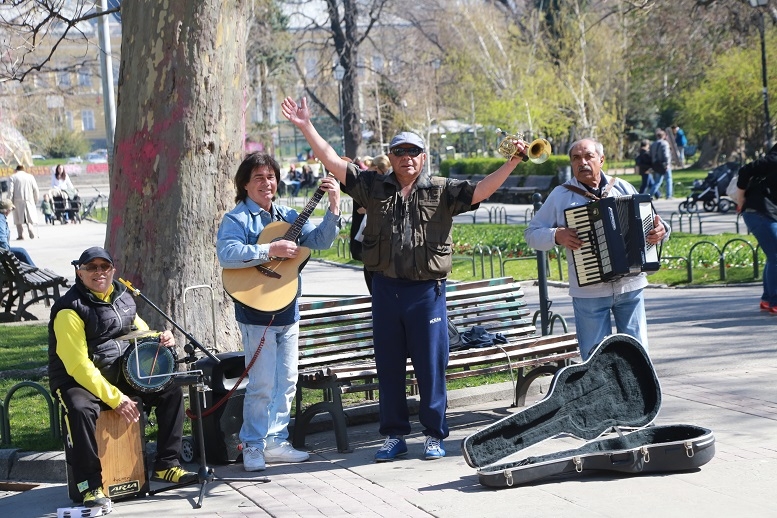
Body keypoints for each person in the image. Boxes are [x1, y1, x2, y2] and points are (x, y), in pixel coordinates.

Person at [281, 95, 525, 462]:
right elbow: (333, 160)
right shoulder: (373, 187)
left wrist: (514, 161)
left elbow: (481, 190)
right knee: (389, 366)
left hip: (426, 292)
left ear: (423, 157)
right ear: (391, 157)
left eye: (413, 151)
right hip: (385, 290)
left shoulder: (441, 189)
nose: (406, 157)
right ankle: (394, 435)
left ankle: (433, 434)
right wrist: (305, 127)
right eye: (399, 151)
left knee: (430, 366)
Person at [216, 152, 342, 472]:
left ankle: (276, 441)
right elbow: (228, 254)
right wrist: (269, 250)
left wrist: (334, 207)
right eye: (258, 177)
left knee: (286, 381)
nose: (266, 183)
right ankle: (253, 445)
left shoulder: (287, 214)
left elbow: (320, 241)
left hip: (288, 310)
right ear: (244, 184)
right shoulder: (237, 219)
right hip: (256, 312)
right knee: (261, 384)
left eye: (271, 177)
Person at [48, 247, 197, 508]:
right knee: (81, 410)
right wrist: (116, 398)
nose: (98, 272)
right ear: (79, 272)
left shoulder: (123, 296)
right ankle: (90, 486)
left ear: (112, 270)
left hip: (118, 371)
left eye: (103, 267)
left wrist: (160, 338)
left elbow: (138, 330)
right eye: (91, 267)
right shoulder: (69, 310)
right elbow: (78, 366)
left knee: (170, 390)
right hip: (76, 380)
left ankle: (166, 465)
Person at [525, 138, 670, 360]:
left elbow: (655, 221)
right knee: (595, 359)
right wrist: (557, 235)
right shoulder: (560, 195)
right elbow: (532, 234)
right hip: (589, 292)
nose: (582, 162)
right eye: (576, 158)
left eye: (588, 156)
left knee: (638, 354)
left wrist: (662, 231)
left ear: (601, 160)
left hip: (630, 286)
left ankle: (640, 395)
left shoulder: (621, 187)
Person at [732, 143, 777, 314]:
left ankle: (767, 299)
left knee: (773, 255)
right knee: (776, 255)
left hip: (765, 212)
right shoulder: (774, 160)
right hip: (758, 211)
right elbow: (745, 170)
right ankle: (774, 301)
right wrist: (740, 198)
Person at [352, 154, 391, 293]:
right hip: (366, 235)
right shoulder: (363, 183)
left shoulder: (380, 182)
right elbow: (360, 208)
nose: (383, 175)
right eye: (382, 172)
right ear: (375, 168)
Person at [0, 199, 35, 264]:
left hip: (2, 250)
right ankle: (35, 270)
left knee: (21, 251)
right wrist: (7, 253)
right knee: (22, 252)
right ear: (7, 210)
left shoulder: (2, 218)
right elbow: (2, 238)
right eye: (11, 210)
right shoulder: (1, 219)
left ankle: (34, 269)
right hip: (2, 252)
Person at [9, 165, 39, 240]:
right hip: (29, 199)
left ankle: (21, 234)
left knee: (18, 219)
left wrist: (9, 202)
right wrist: (35, 200)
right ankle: (30, 229)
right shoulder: (30, 176)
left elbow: (10, 191)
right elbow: (36, 189)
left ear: (16, 169)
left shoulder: (13, 177)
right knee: (29, 216)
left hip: (17, 201)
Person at [650, 128, 673, 199]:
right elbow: (666, 155)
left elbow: (651, 154)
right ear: (664, 136)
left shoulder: (653, 144)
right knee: (668, 179)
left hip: (656, 164)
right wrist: (667, 163)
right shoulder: (665, 143)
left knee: (657, 181)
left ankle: (650, 195)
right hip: (664, 164)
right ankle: (669, 195)